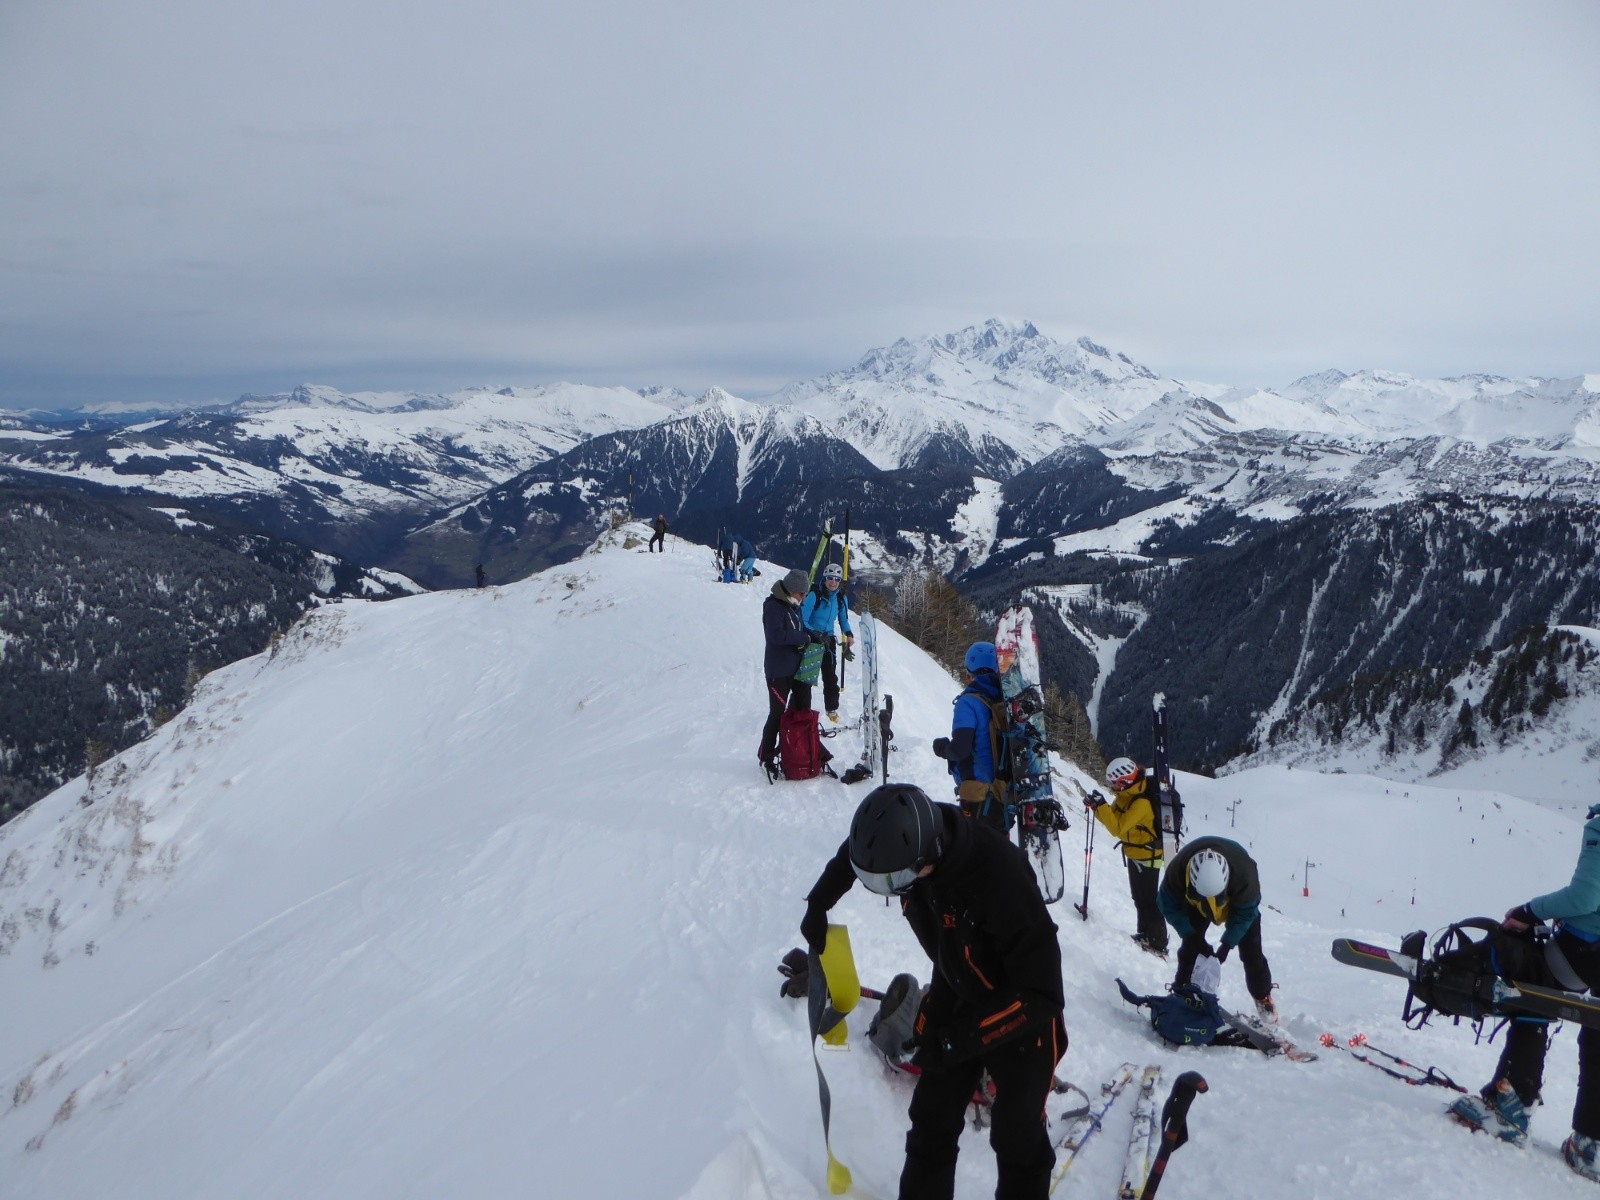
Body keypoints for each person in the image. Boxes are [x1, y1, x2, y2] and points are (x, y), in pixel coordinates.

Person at [800, 784, 1066, 1200]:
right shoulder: (905, 840)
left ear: (929, 858)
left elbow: (1043, 991)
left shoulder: (1000, 875)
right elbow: (856, 856)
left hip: (1021, 1016)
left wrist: (958, 1041)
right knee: (931, 1117)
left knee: (1016, 1135)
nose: (895, 890)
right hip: (956, 989)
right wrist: (819, 902)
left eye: (896, 881)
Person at [1448, 802, 1600, 1179]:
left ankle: (1511, 1105)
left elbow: (1584, 899)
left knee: (1530, 988)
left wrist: (1530, 910)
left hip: (1584, 951)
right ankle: (1590, 1147)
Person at [1157, 836, 1276, 1021]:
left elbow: (1245, 914)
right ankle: (1182, 991)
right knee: (1191, 951)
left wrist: (1227, 944)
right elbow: (1167, 904)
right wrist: (1189, 935)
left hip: (1236, 904)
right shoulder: (1178, 870)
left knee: (1252, 954)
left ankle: (1262, 995)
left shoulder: (1245, 876)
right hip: (1196, 906)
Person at [1083, 757, 1167, 956]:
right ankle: (1145, 933)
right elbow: (1113, 816)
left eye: (1114, 782)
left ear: (1124, 781)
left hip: (1148, 854)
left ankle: (1158, 941)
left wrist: (1101, 806)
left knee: (1148, 899)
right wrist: (1098, 806)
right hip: (1137, 852)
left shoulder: (1142, 803)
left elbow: (1118, 828)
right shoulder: (1127, 796)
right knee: (1140, 897)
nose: (1112, 786)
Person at [931, 642, 1008, 831]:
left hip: (978, 797)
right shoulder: (1004, 702)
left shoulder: (968, 703)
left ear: (971, 673)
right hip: (1003, 795)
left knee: (975, 853)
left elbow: (960, 749)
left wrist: (941, 748)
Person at [758, 568, 822, 780]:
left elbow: (802, 628)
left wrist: (815, 637)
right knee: (777, 714)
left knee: (803, 709)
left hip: (798, 668)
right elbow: (776, 636)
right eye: (801, 594)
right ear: (791, 590)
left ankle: (800, 748)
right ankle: (766, 755)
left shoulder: (794, 606)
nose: (804, 598)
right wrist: (803, 638)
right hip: (778, 670)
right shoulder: (773, 606)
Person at [800, 562, 854, 722]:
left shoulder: (841, 597)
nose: (833, 582)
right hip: (812, 639)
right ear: (824, 578)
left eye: (836, 579)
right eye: (830, 578)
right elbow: (803, 619)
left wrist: (849, 634)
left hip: (829, 641)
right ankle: (800, 709)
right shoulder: (814, 594)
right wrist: (815, 634)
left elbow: (843, 619)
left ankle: (831, 709)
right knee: (807, 678)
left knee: (830, 677)